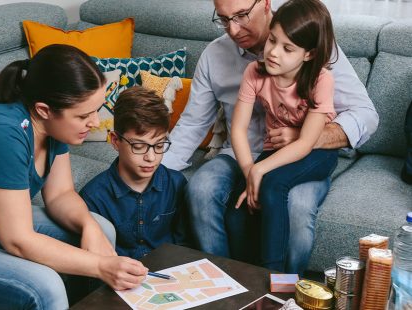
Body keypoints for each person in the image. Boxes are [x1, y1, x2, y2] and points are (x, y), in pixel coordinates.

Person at [162, 0, 379, 275]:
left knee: (296, 207)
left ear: (265, 4)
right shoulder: (216, 56)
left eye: (241, 16)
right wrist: (154, 173)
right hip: (240, 154)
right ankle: (226, 284)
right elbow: (193, 123)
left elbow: (366, 115)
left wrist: (307, 137)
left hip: (300, 155)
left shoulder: (312, 43)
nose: (233, 29)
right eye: (224, 19)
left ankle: (285, 292)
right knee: (200, 189)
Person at [0, 44, 148, 310]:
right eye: (83, 115)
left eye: (96, 109)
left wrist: (88, 226)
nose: (95, 122)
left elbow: (60, 195)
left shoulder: (54, 128)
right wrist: (101, 265)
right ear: (44, 110)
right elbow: (17, 239)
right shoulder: (3, 133)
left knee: (101, 229)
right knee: (45, 285)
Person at [231, 0, 339, 272]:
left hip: (316, 153)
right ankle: (247, 276)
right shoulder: (255, 72)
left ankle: (275, 278)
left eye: (287, 48)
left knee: (273, 185)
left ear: (309, 54)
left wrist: (261, 169)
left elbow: (305, 143)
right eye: (272, 41)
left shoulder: (320, 80)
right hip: (276, 150)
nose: (273, 53)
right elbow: (238, 129)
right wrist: (249, 172)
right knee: (240, 204)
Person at [79, 86, 190, 259]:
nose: (151, 157)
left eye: (159, 145)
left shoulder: (176, 184)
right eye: (139, 146)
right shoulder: (93, 197)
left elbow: (185, 246)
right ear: (115, 141)